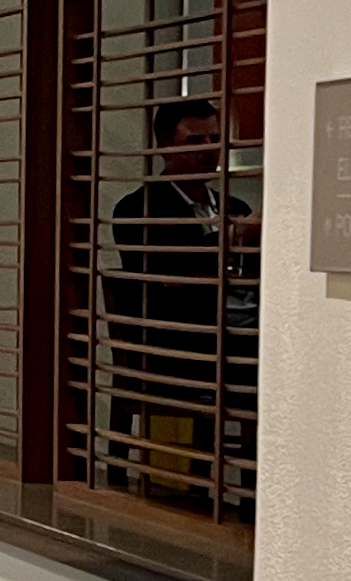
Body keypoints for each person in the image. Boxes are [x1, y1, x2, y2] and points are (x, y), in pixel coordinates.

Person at [101, 100, 256, 499]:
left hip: (241, 330)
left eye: (216, 139)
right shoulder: (139, 208)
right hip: (179, 343)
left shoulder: (235, 207)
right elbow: (173, 277)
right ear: (165, 145)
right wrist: (234, 239)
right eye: (196, 139)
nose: (209, 149)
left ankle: (263, 505)